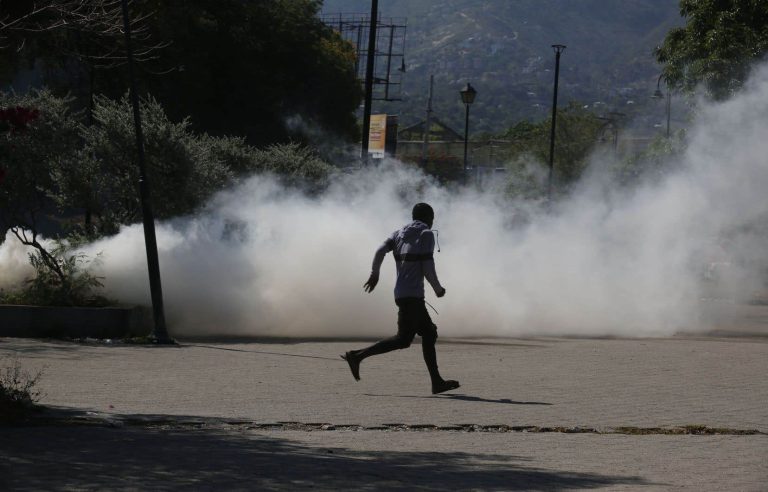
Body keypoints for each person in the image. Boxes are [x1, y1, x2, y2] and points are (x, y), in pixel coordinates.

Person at [342, 203, 460, 394]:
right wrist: (438, 289)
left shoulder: (398, 234)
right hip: (413, 296)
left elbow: (380, 250)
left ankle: (436, 381)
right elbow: (427, 265)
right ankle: (357, 356)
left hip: (402, 294)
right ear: (429, 218)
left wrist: (375, 274)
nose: (432, 222)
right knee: (406, 338)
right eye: (432, 218)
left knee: (422, 335)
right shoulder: (427, 234)